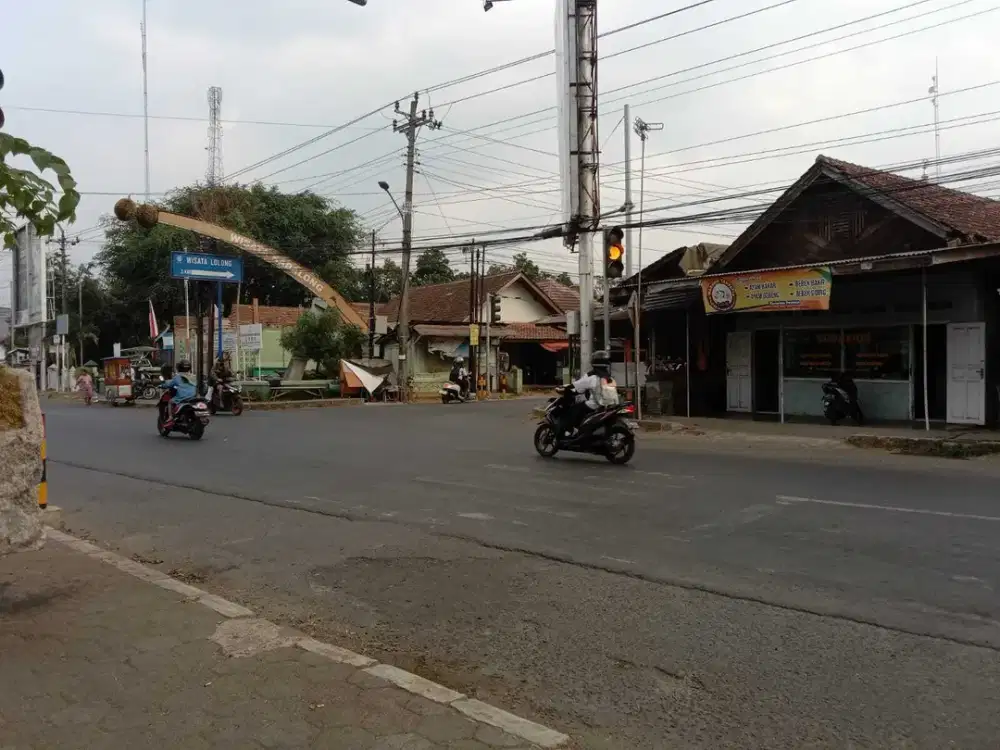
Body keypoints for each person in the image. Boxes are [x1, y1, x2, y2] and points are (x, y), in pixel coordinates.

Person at [558, 350, 618, 439]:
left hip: (596, 405)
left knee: (575, 409)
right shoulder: (609, 376)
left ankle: (572, 430)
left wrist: (567, 388)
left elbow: (577, 387)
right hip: (611, 404)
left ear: (594, 362)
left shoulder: (591, 376)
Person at [159, 360, 197, 426]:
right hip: (193, 396)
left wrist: (161, 385)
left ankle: (170, 417)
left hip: (182, 397)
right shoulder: (193, 376)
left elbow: (169, 384)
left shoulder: (177, 377)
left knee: (170, 401)